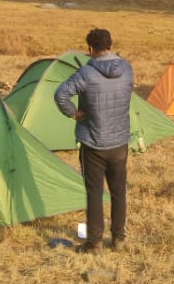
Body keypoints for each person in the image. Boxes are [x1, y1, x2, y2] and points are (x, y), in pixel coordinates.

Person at [54, 27, 133, 254]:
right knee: (119, 192)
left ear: (90, 49)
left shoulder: (86, 73)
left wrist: (74, 113)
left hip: (93, 143)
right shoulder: (127, 69)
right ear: (110, 44)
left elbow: (61, 94)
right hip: (119, 143)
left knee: (94, 193)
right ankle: (119, 239)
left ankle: (95, 244)